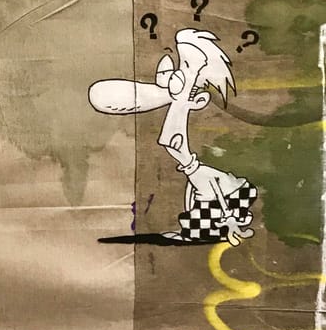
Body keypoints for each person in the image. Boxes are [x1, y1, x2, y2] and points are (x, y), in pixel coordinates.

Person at [89, 28, 256, 245]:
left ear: (200, 100)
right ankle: (223, 224)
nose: (175, 75)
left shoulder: (183, 111)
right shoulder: (177, 110)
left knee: (204, 187)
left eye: (186, 67)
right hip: (208, 179)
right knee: (201, 186)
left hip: (217, 185)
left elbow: (173, 141)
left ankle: (223, 224)